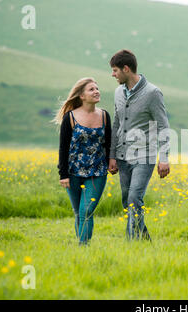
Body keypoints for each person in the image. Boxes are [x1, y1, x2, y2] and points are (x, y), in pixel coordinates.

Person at [108, 49, 170, 241]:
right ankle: (144, 241)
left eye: (115, 70)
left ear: (126, 69)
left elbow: (163, 125)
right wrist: (111, 155)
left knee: (135, 198)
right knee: (127, 201)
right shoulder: (118, 92)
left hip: (144, 156)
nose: (113, 74)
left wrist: (164, 158)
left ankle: (132, 243)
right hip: (122, 155)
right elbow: (116, 124)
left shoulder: (153, 93)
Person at [53, 77, 111, 245]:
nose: (96, 91)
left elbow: (109, 143)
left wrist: (112, 161)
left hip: (98, 171)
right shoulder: (70, 117)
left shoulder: (105, 116)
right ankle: (82, 246)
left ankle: (83, 247)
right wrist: (63, 174)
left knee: (86, 210)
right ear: (81, 96)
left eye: (97, 88)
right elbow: (63, 148)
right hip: (73, 172)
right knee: (79, 212)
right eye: (91, 89)